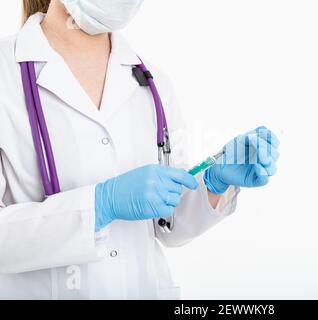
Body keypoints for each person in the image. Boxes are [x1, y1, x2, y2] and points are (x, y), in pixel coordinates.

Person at [0, 0, 280, 299]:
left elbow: (168, 225)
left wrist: (213, 183)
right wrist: (101, 204)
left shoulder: (153, 83)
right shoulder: (7, 75)